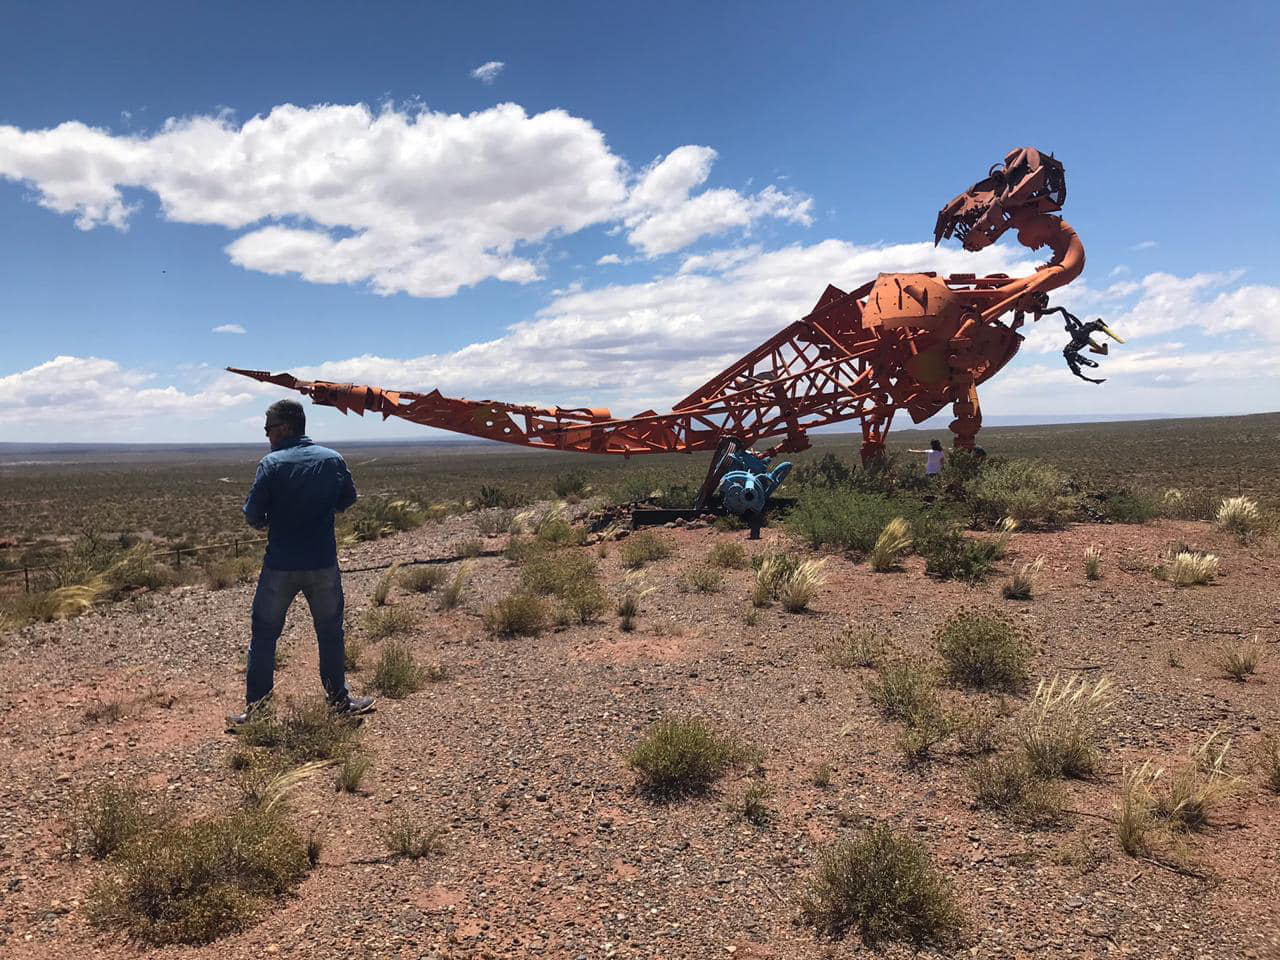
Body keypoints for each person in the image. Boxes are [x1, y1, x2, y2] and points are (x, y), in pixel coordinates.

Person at [227, 399, 373, 726]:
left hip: (280, 564)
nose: (267, 437)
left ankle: (259, 715)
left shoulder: (272, 464)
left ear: (286, 428)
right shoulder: (332, 460)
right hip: (322, 562)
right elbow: (347, 499)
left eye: (269, 430)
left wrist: (268, 522)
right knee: (330, 633)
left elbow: (252, 514)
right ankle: (339, 703)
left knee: (264, 637)